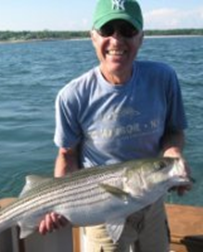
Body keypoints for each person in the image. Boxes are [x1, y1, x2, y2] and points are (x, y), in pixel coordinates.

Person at [38, 0, 191, 251]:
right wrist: (56, 203)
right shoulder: (72, 96)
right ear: (93, 37)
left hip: (151, 202)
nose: (117, 40)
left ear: (141, 37)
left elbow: (175, 130)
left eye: (127, 30)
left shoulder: (164, 78)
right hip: (98, 209)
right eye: (107, 30)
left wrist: (172, 154)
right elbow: (67, 154)